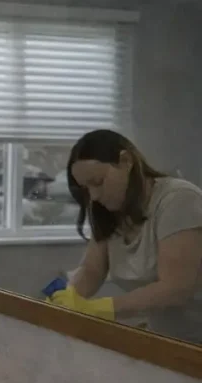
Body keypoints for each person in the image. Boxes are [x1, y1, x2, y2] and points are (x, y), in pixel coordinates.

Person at [48, 129, 202, 344]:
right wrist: (68, 298)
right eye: (86, 188)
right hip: (167, 338)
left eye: (98, 182)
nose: (94, 195)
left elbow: (175, 288)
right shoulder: (109, 211)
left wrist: (102, 308)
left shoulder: (179, 200)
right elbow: (92, 269)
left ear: (126, 161)